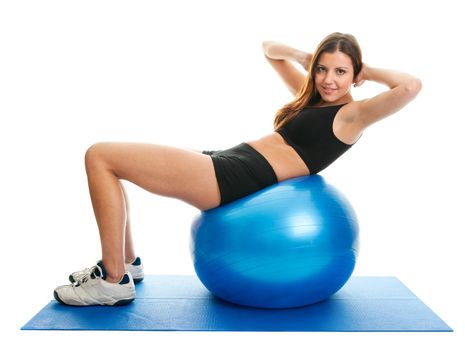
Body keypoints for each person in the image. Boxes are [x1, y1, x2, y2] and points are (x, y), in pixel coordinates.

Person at [53, 32, 422, 306]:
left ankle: (112, 279)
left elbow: (410, 86)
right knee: (117, 164)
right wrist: (303, 56)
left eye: (341, 72)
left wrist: (366, 70)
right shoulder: (311, 97)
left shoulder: (352, 116)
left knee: (100, 156)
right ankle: (126, 265)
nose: (329, 79)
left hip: (232, 180)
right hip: (228, 161)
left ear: (353, 73)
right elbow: (269, 49)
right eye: (322, 69)